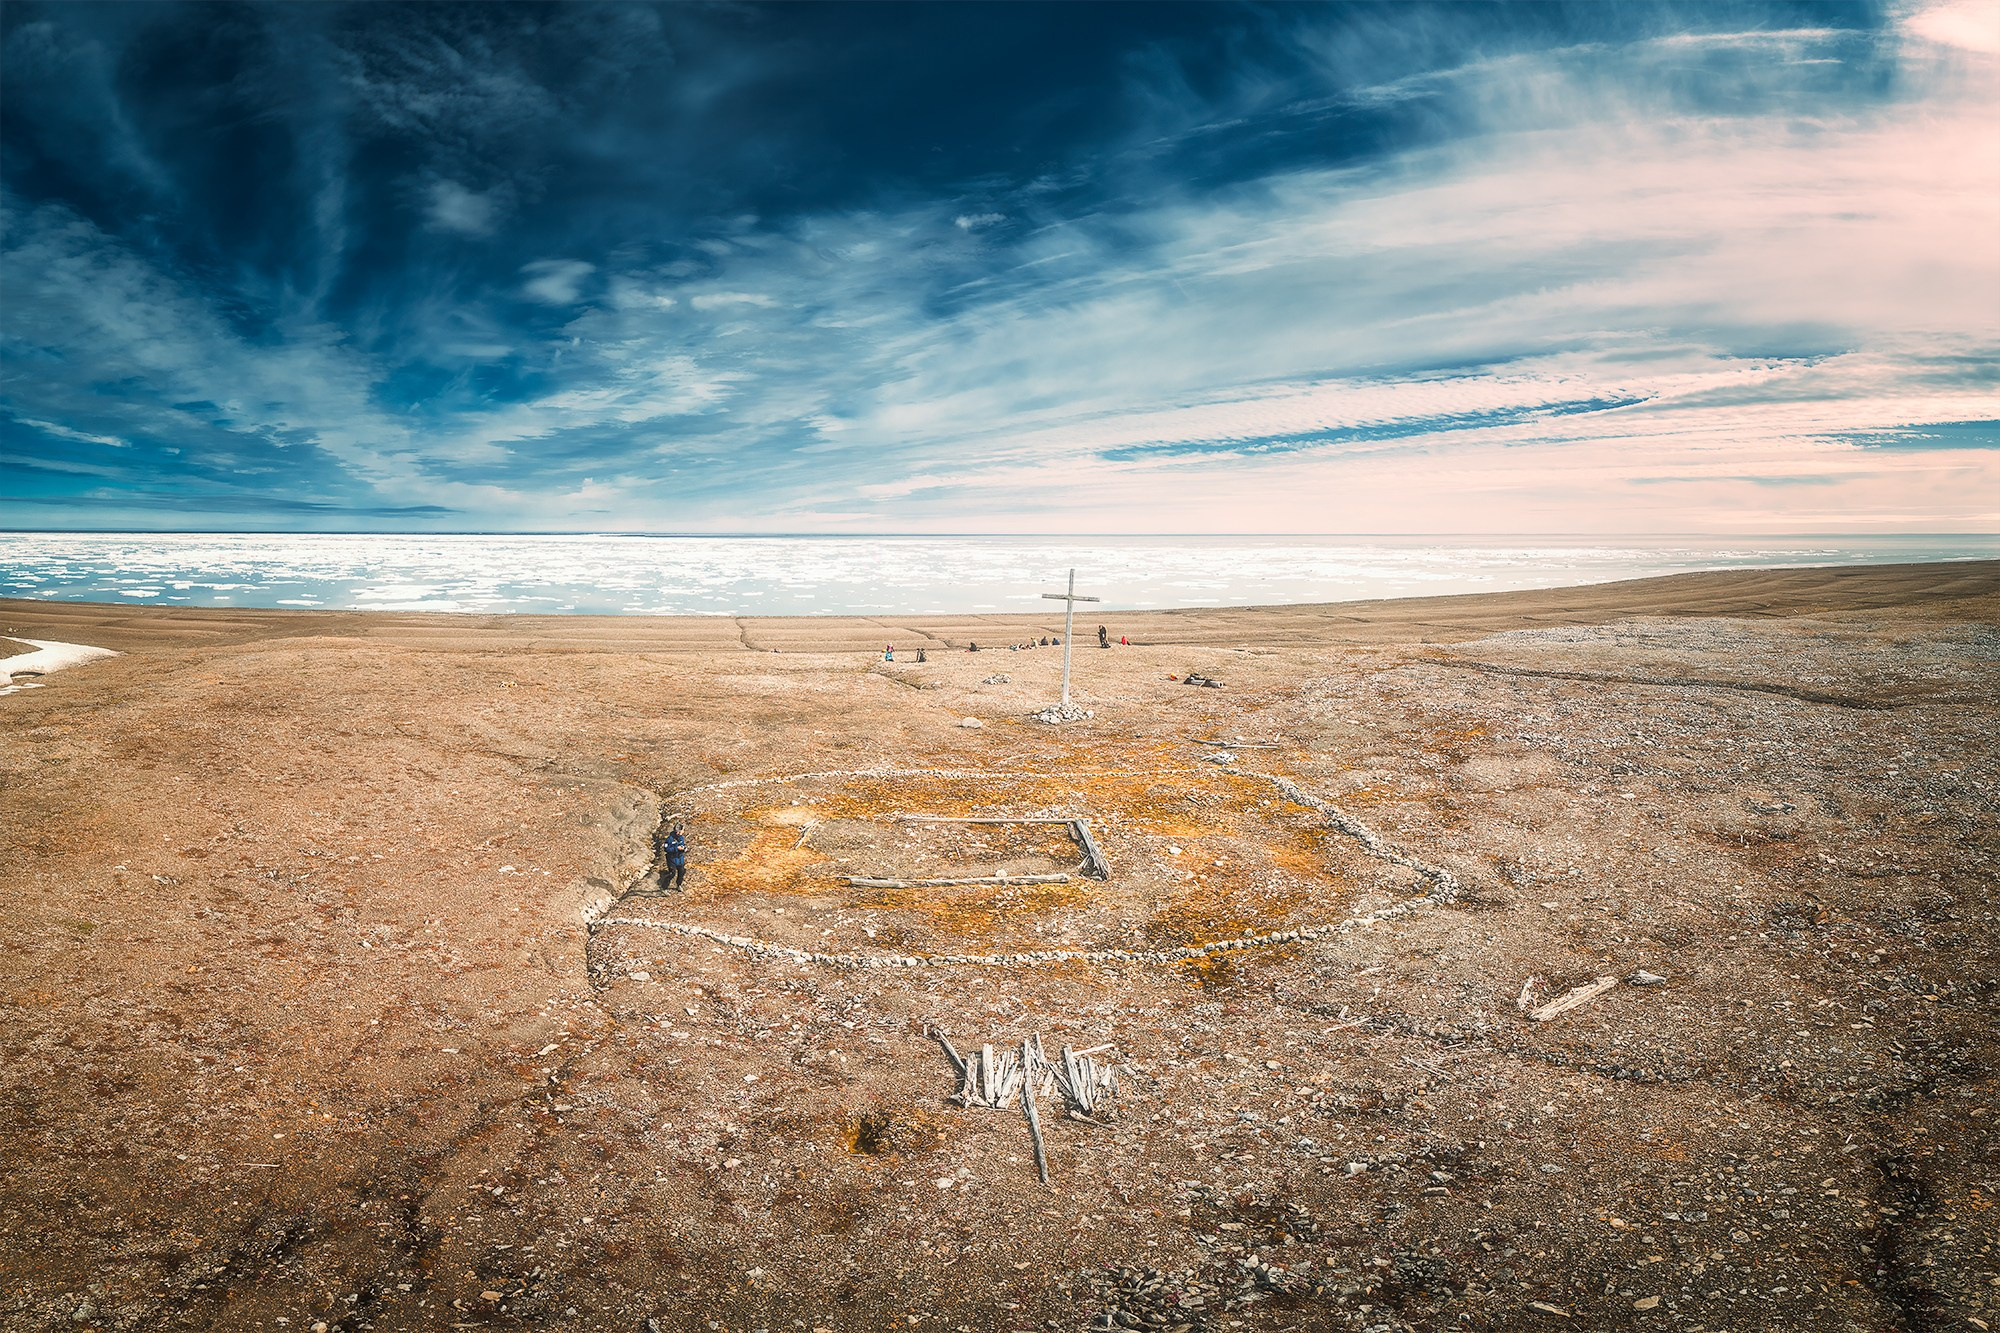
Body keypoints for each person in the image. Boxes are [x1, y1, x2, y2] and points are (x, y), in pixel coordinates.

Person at [657, 822, 688, 892]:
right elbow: (666, 849)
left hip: (680, 859)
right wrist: (676, 848)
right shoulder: (669, 839)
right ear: (678, 832)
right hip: (672, 860)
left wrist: (684, 848)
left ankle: (679, 885)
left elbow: (683, 845)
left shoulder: (681, 838)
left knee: (682, 871)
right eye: (682, 830)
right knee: (672, 873)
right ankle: (664, 888)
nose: (683, 831)